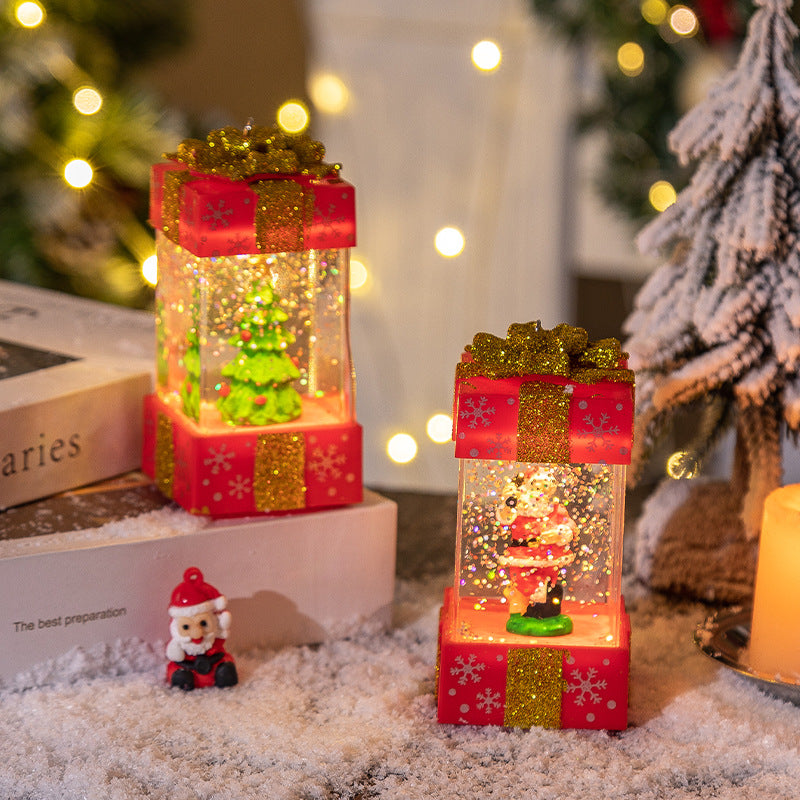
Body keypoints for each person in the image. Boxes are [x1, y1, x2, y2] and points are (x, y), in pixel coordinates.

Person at [495, 468, 577, 635]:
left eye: (546, 487)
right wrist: (506, 502)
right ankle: (519, 612)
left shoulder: (556, 510)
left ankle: (545, 611)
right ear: (528, 487)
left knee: (549, 584)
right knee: (521, 585)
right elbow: (504, 517)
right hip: (522, 556)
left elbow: (571, 527)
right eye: (537, 486)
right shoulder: (517, 508)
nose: (541, 491)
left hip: (549, 557)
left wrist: (560, 533)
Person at [166, 567, 238, 690]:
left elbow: (220, 650)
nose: (197, 634)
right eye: (186, 627)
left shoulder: (215, 639)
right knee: (179, 673)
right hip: (187, 665)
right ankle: (183, 680)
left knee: (226, 666)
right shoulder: (179, 644)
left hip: (214, 662)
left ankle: (223, 675)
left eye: (203, 624)